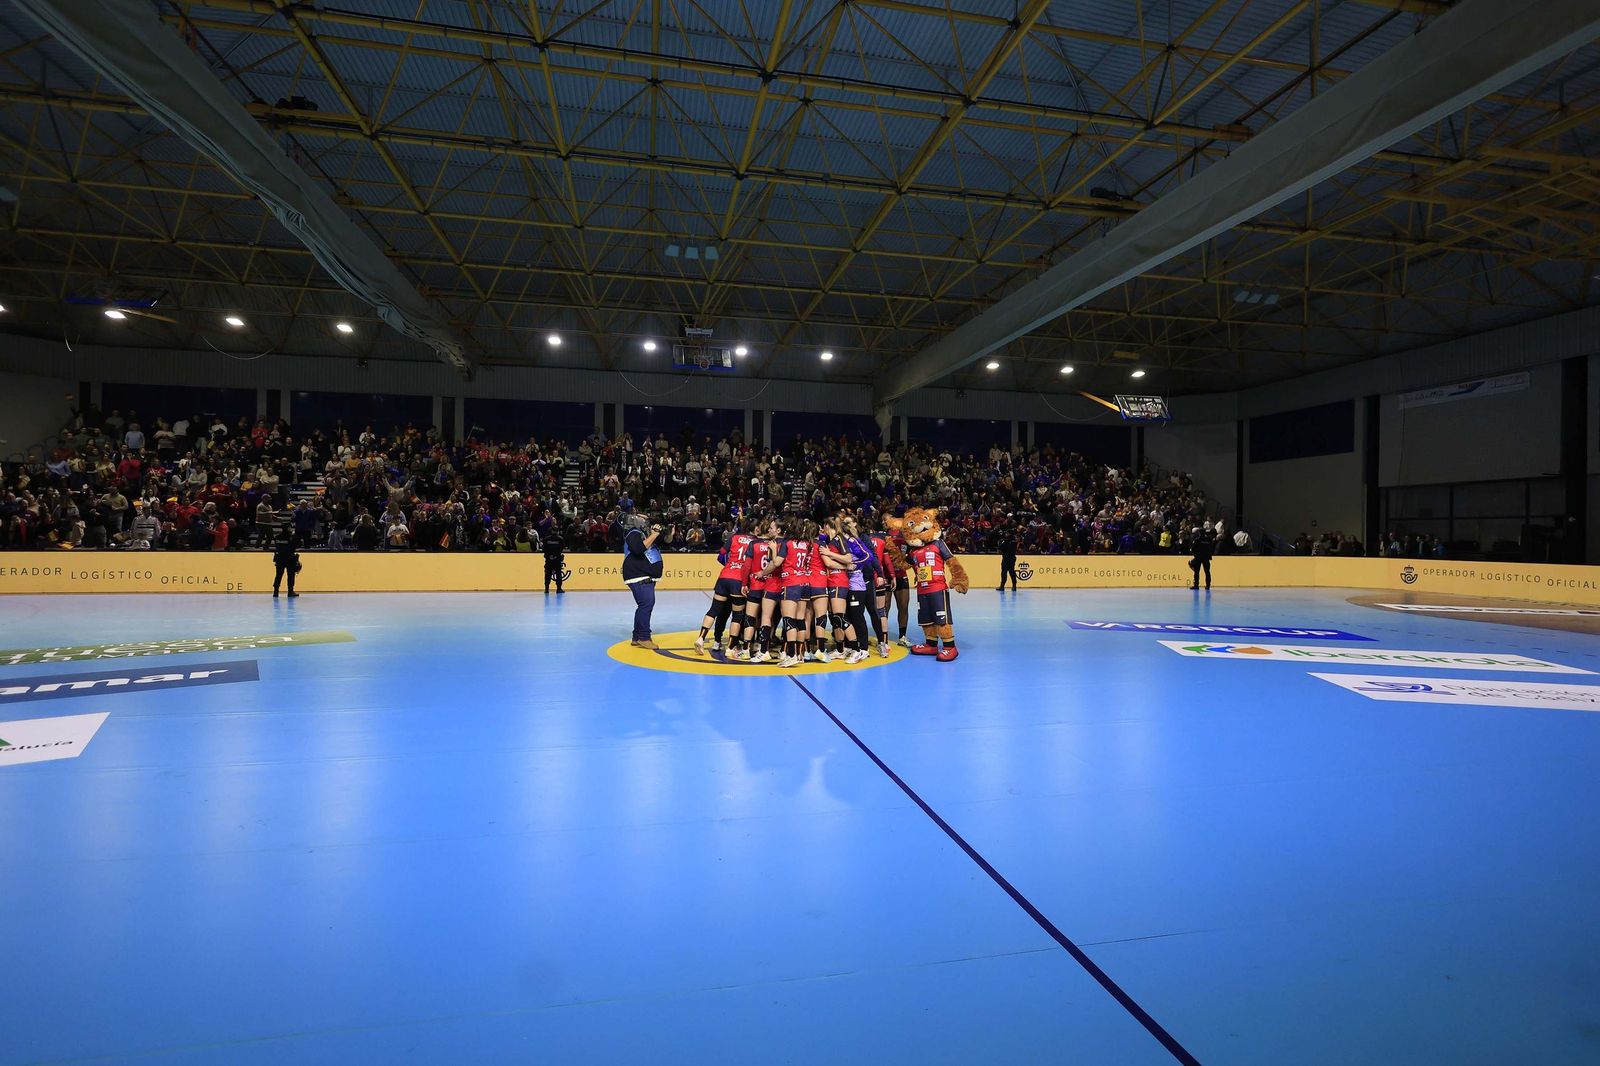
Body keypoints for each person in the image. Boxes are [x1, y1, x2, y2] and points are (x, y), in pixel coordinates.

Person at [621, 514, 663, 649]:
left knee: (643, 605)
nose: (646, 520)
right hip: (639, 576)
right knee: (646, 604)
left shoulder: (645, 534)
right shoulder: (633, 533)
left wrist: (661, 533)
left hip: (644, 575)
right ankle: (644, 637)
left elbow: (665, 540)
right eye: (643, 518)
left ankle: (637, 636)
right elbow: (638, 549)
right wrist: (654, 535)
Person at [543, 523, 566, 594]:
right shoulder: (560, 539)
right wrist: (556, 556)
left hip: (548, 559)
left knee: (548, 573)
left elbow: (544, 548)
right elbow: (561, 548)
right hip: (557, 559)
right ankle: (559, 589)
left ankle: (546, 589)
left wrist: (549, 556)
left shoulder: (547, 539)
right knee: (558, 573)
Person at [1188, 526, 1213, 591]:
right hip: (1206, 558)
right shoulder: (1208, 539)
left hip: (1198, 557)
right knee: (1207, 572)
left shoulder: (1197, 539)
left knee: (1197, 572)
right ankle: (1208, 585)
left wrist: (1195, 555)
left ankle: (1196, 585)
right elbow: (1211, 548)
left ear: (1199, 532)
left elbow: (1193, 548)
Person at [997, 526, 1019, 591]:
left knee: (1004, 572)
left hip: (1006, 558)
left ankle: (1002, 586)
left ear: (1009, 534)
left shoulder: (1005, 541)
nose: (1005, 534)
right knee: (1012, 572)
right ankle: (1014, 586)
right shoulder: (1014, 542)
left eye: (1007, 533)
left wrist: (1000, 543)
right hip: (1012, 558)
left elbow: (1000, 548)